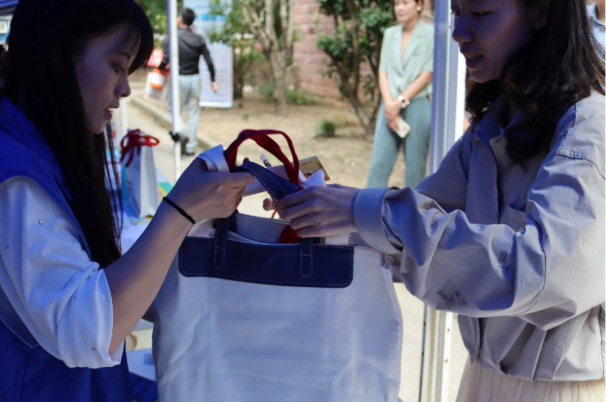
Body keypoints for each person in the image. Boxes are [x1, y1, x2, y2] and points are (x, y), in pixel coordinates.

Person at [270, 0, 606, 400]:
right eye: (457, 14)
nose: (459, 33)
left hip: (562, 389)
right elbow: (414, 222)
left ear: (541, 11)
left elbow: (542, 273)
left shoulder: (589, 127)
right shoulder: (493, 126)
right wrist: (317, 202)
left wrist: (370, 213)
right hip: (480, 378)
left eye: (480, 14)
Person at [0, 0, 252, 400]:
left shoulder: (41, 148)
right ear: (55, 53)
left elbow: (98, 282)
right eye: (117, 66)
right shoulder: (16, 176)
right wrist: (181, 211)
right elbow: (88, 331)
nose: (126, 89)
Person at [366, 0, 433, 189]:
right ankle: (369, 205)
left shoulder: (431, 34)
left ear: (419, 4)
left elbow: (427, 74)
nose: (400, 8)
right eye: (396, 4)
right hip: (389, 106)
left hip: (417, 104)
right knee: (378, 164)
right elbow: (383, 71)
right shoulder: (390, 34)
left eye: (405, 2)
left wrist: (400, 102)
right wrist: (390, 104)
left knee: (415, 168)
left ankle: (412, 207)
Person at [158, 7, 218, 157]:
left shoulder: (172, 37)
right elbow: (209, 60)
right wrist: (213, 80)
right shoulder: (198, 38)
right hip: (195, 80)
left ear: (180, 19)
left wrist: (158, 70)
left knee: (174, 110)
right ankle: (190, 148)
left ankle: (180, 134)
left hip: (178, 79)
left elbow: (165, 60)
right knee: (193, 114)